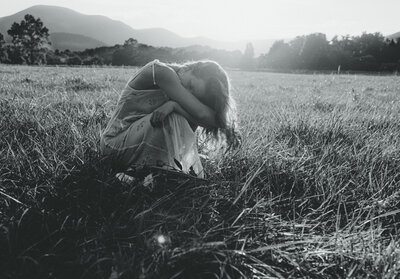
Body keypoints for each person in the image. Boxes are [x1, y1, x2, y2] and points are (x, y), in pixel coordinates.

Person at [100, 59, 240, 178]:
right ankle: (149, 174)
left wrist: (175, 106)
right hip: (113, 147)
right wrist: (176, 107)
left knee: (182, 113)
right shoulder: (162, 72)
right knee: (176, 117)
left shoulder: (181, 81)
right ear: (189, 68)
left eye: (194, 95)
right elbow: (203, 115)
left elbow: (216, 121)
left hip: (135, 145)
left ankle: (145, 177)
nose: (187, 93)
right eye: (191, 85)